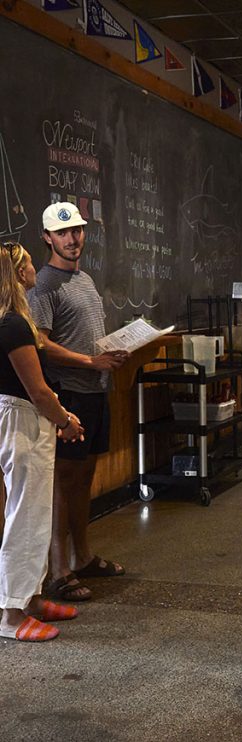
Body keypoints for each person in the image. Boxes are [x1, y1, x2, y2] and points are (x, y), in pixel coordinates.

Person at [28, 203, 128, 603]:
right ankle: (58, 571)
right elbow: (39, 343)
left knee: (84, 479)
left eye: (78, 231)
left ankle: (82, 556)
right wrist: (90, 360)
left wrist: (111, 355)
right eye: (63, 233)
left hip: (95, 391)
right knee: (64, 482)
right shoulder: (43, 284)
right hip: (67, 394)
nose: (72, 239)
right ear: (47, 237)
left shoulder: (85, 279)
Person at [0, 242, 85, 642]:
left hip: (25, 418)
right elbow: (37, 391)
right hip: (24, 418)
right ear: (19, 274)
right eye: (30, 263)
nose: (35, 267)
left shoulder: (16, 320)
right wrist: (66, 419)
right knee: (25, 518)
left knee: (34, 515)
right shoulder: (13, 325)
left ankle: (30, 598)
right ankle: (11, 616)